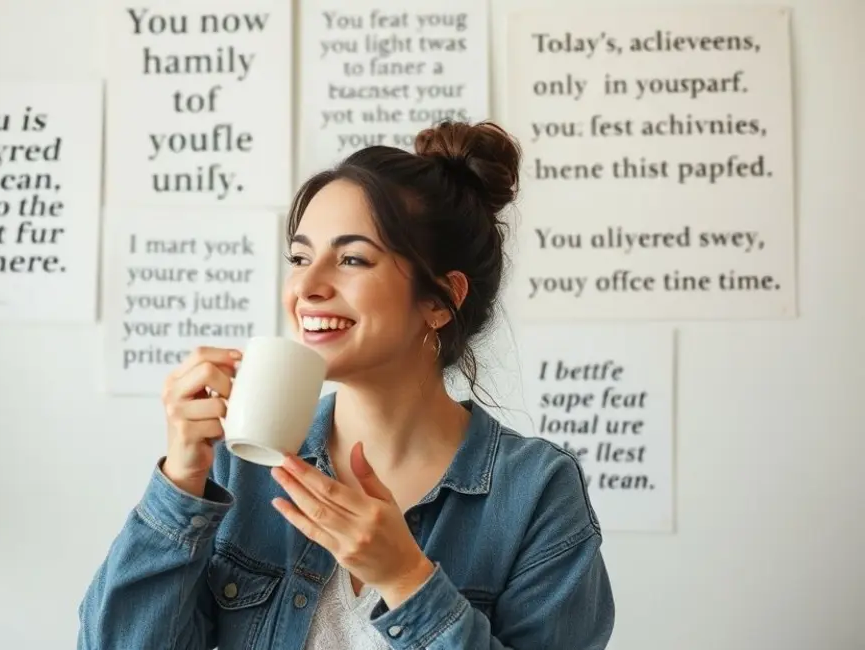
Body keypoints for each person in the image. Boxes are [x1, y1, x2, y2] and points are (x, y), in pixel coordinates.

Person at [77, 120, 615, 649]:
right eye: (300, 258)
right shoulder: (241, 465)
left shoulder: (535, 492)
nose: (306, 287)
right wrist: (180, 482)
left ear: (439, 300)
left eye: (352, 259)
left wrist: (406, 580)